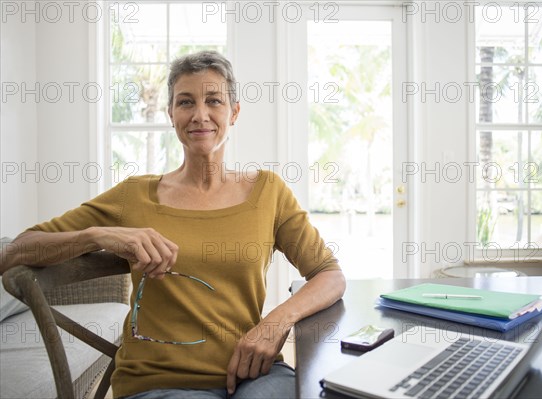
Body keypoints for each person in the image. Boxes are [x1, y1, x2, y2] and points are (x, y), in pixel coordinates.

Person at [0, 51, 346, 399]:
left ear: (234, 112)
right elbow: (15, 251)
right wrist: (98, 235)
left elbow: (329, 274)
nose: (200, 115)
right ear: (171, 114)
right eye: (185, 102)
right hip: (159, 383)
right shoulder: (133, 196)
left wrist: (276, 322)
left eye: (213, 100)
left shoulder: (269, 192)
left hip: (254, 374)